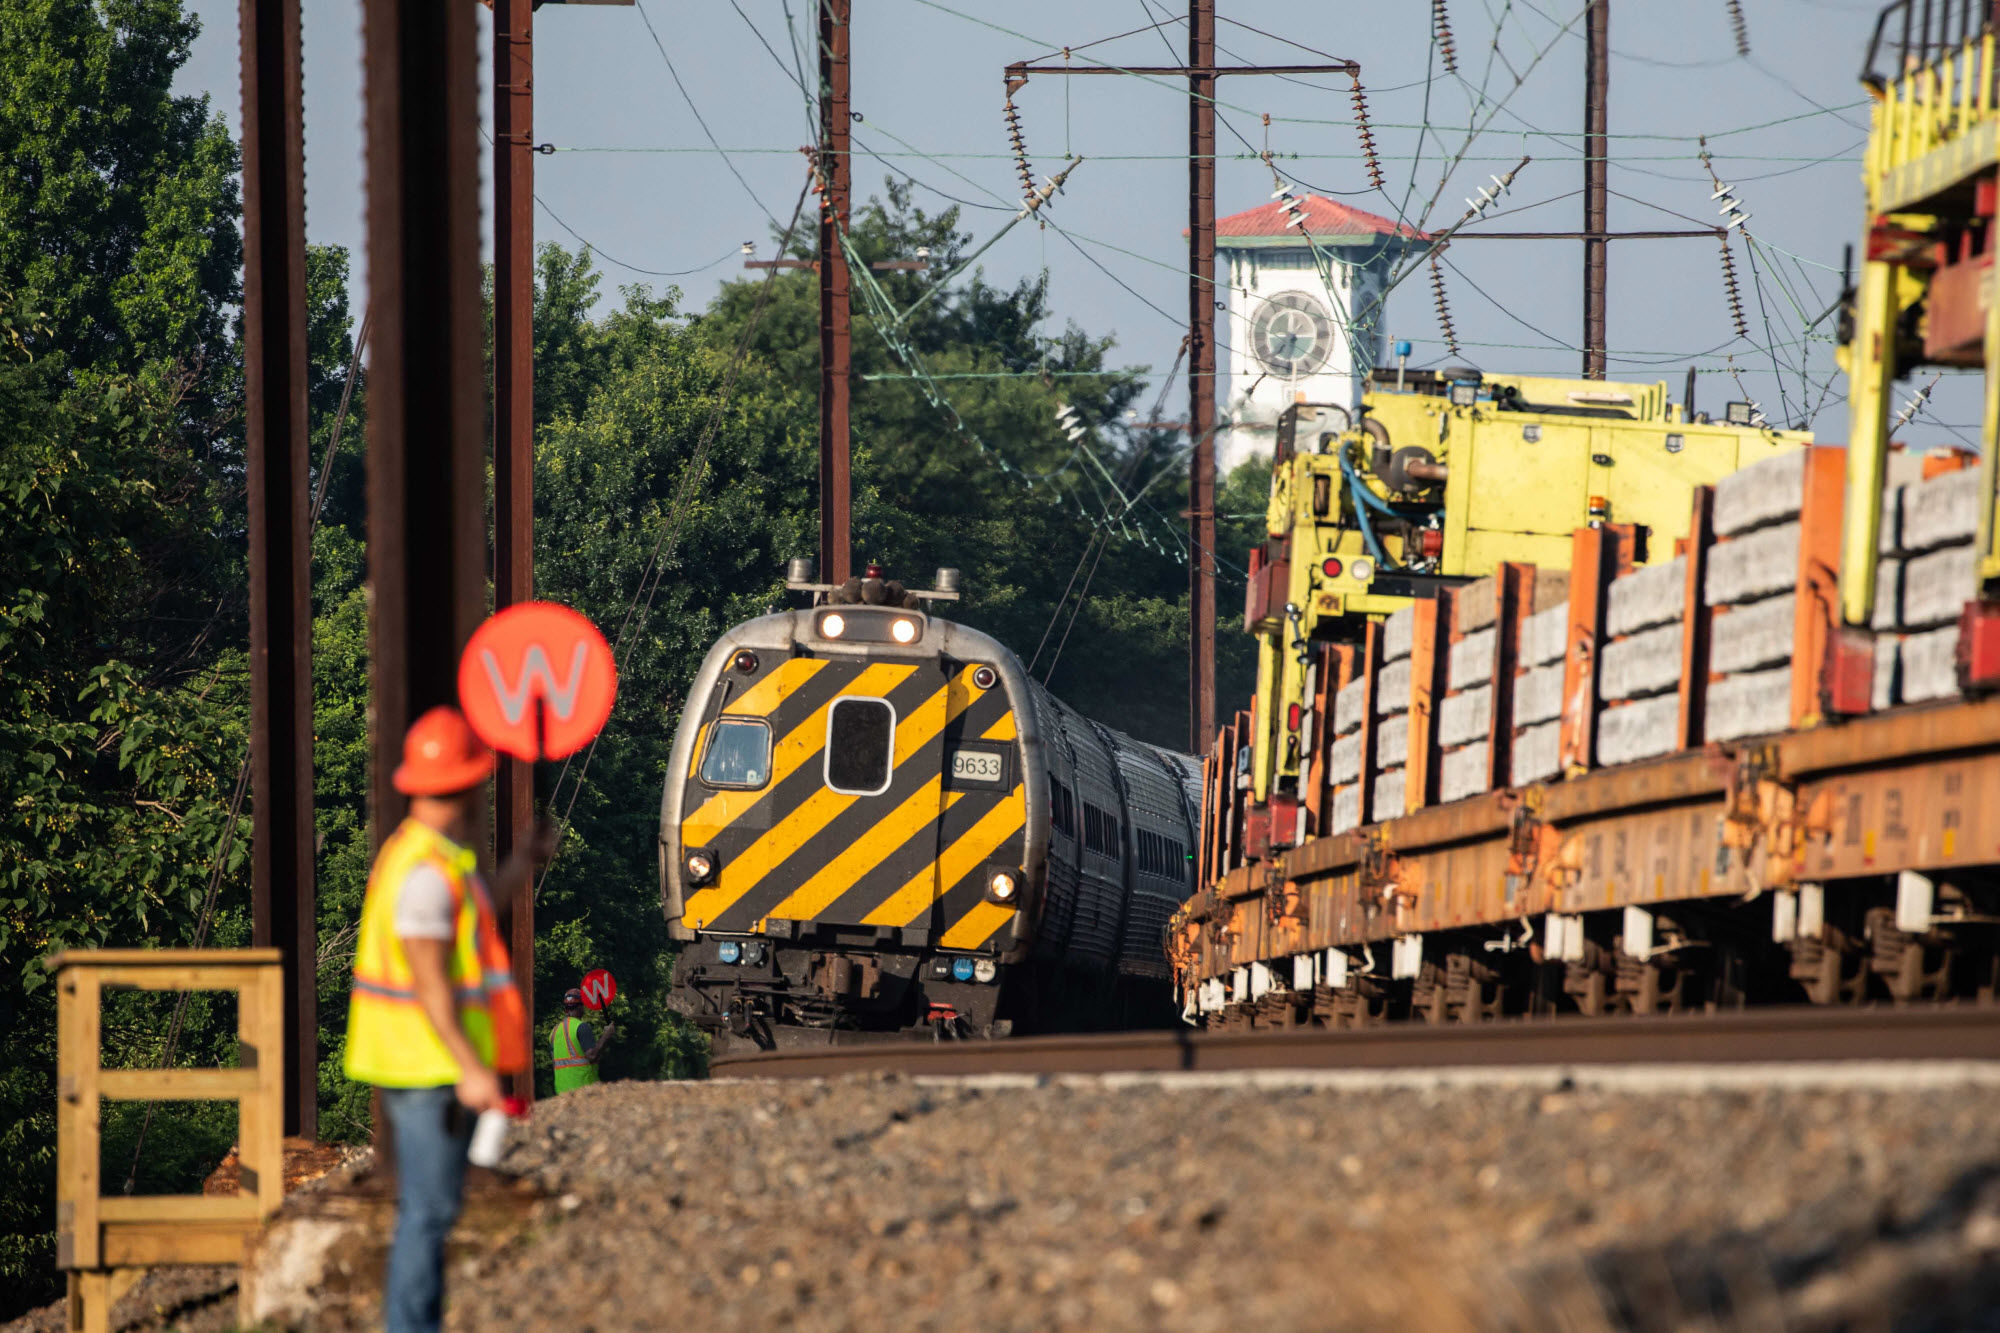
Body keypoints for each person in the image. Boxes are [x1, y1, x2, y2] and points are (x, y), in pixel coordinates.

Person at [343, 706, 551, 1333]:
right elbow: (431, 983)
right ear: (466, 784)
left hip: (425, 1063)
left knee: (432, 1208)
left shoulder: (427, 859)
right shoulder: (426, 876)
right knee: (429, 1212)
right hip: (426, 1066)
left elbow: (479, 907)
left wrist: (525, 864)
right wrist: (472, 1069)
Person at [550, 987, 616, 1093]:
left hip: (561, 1094)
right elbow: (592, 1056)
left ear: (565, 1009)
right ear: (581, 1007)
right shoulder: (581, 1027)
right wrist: (606, 1036)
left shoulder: (554, 1032)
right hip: (584, 1092)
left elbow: (555, 1063)